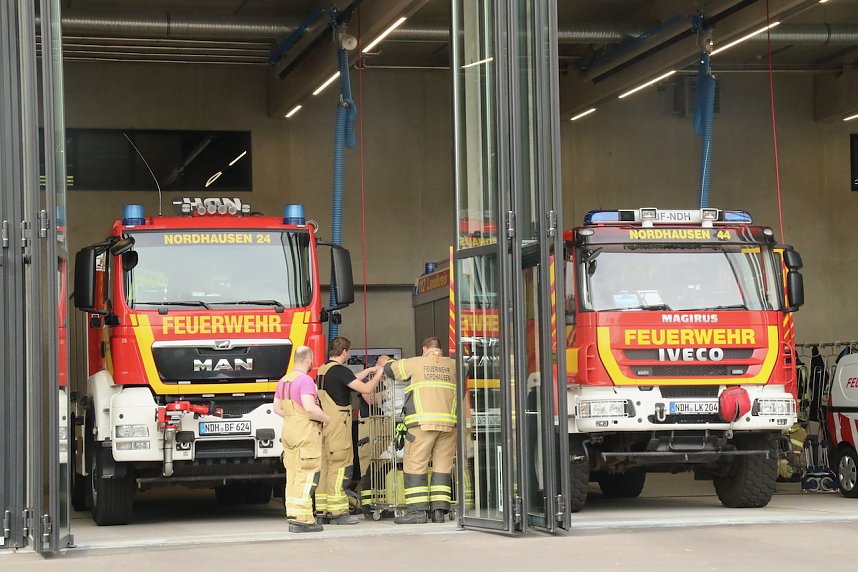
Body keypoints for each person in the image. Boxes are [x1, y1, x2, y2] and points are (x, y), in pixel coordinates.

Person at [382, 337, 457, 524]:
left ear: (425, 349)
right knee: (442, 467)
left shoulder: (415, 363)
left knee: (415, 465)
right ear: (439, 349)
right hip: (448, 425)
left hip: (422, 424)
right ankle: (439, 512)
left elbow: (390, 369)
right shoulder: (452, 365)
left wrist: (387, 361)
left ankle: (417, 512)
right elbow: (467, 368)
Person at [314, 337, 387, 524]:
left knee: (325, 466)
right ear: (345, 351)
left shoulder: (324, 370)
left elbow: (349, 380)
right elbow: (366, 388)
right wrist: (378, 373)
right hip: (338, 425)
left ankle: (322, 510)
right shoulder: (341, 371)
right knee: (340, 466)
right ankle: (339, 513)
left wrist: (368, 370)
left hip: (324, 426)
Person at [273, 345, 329, 533]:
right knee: (308, 474)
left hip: (289, 430)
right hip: (305, 432)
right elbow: (310, 407)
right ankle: (303, 519)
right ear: (308, 359)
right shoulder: (305, 380)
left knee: (294, 474)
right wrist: (325, 418)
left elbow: (277, 408)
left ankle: (293, 515)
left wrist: (293, 418)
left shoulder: (284, 380)